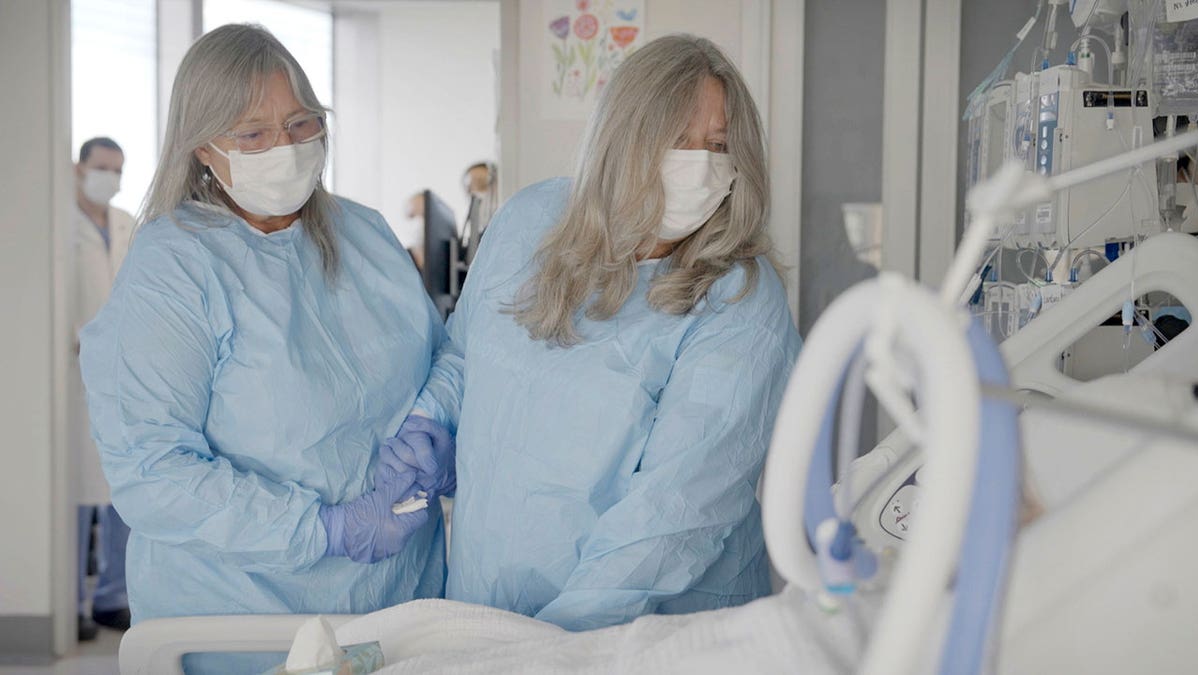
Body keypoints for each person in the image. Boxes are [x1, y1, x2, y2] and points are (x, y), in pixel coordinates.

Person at [378, 34, 801, 632]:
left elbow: (675, 516)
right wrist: (429, 420)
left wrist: (556, 649)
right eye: (677, 139)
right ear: (622, 138)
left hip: (646, 633)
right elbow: (466, 353)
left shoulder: (738, 300)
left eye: (720, 145)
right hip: (487, 604)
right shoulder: (530, 221)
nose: (701, 165)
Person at [80, 25, 446, 673]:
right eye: (252, 134)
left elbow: (441, 357)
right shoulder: (177, 266)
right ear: (203, 148)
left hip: (393, 605)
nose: (285, 147)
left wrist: (433, 421)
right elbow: (156, 470)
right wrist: (324, 529)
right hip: (239, 617)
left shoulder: (364, 234)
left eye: (302, 124)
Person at [70, 136, 135, 640]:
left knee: (120, 488)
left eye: (117, 170)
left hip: (120, 375)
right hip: (69, 375)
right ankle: (68, 598)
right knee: (74, 492)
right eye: (101, 168)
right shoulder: (58, 225)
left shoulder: (127, 225)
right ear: (79, 169)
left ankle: (113, 598)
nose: (109, 178)